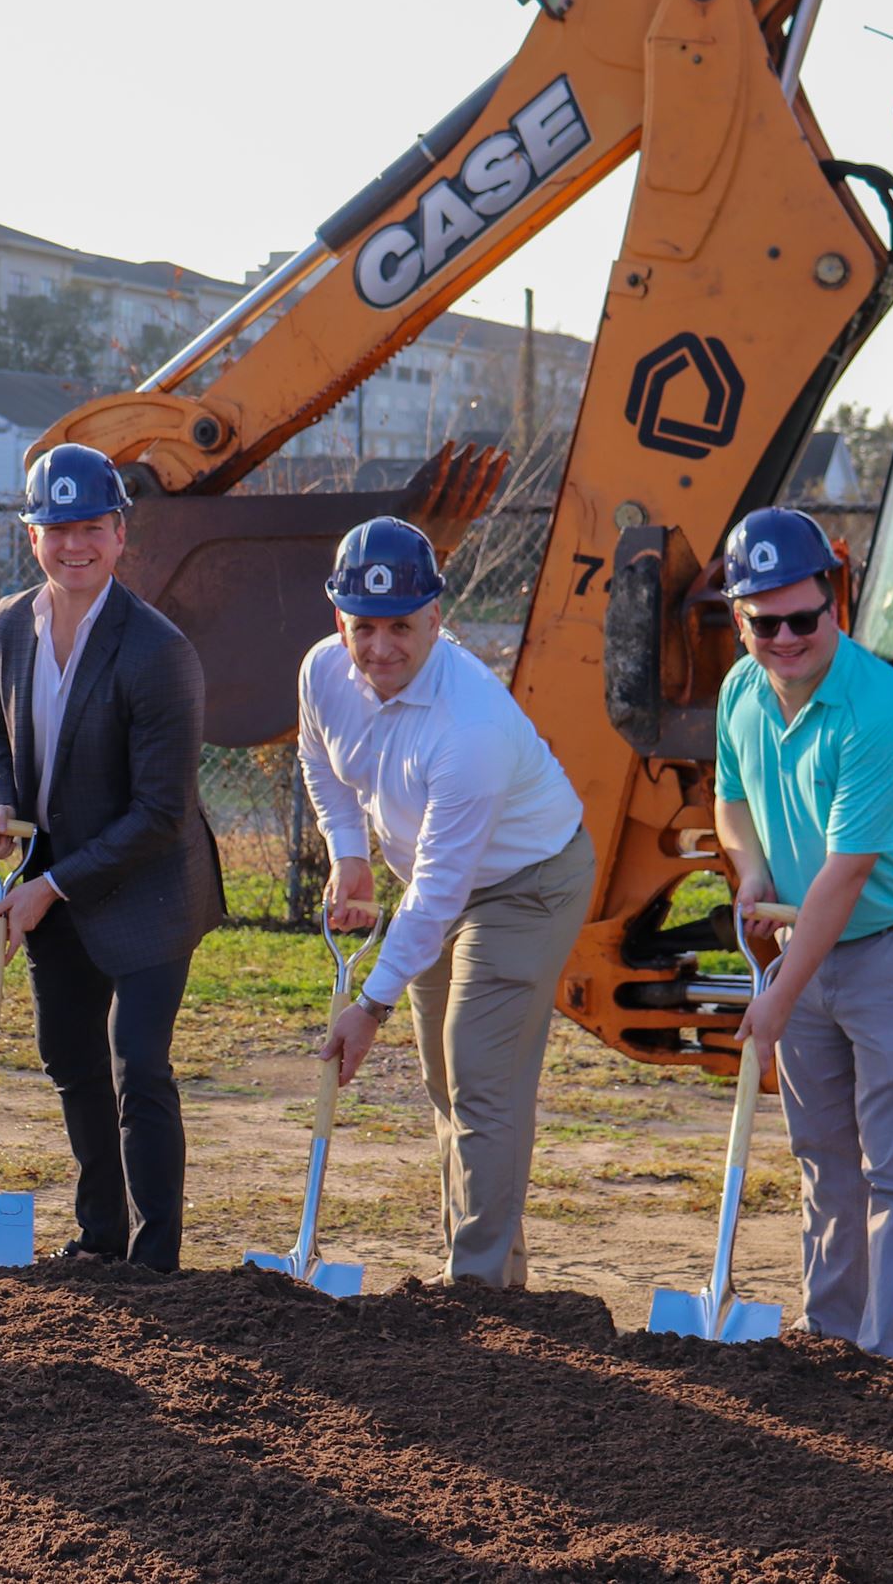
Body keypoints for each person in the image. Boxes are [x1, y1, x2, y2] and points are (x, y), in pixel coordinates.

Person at [714, 506, 893, 1364]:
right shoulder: (740, 689)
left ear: (835, 602)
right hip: (807, 945)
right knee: (824, 1159)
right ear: (739, 618)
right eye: (766, 621)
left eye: (805, 615)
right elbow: (729, 799)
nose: (787, 637)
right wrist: (750, 869)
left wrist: (776, 999)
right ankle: (830, 1348)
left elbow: (846, 874)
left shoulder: (884, 713)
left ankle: (887, 1367)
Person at [309, 517, 594, 1288]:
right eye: (363, 627)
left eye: (401, 625)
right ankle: (498, 1272)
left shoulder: (469, 723)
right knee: (444, 1076)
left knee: (479, 1070)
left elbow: (437, 890)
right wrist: (351, 854)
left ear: (437, 617)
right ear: (340, 620)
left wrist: (368, 1006)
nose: (380, 647)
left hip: (529, 883)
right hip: (439, 883)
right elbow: (322, 762)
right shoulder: (322, 673)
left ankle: (472, 1289)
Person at [0, 443, 224, 1270]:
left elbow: (160, 813)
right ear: (32, 535)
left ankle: (156, 1262)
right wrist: (2, 802)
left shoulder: (160, 651)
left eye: (89, 527)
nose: (71, 544)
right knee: (71, 1057)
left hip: (150, 891)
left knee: (137, 1065)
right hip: (54, 881)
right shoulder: (7, 624)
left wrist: (48, 884)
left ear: (120, 535)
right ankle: (100, 1238)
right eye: (54, 527)